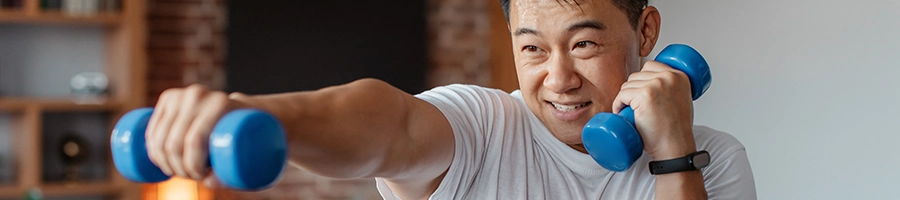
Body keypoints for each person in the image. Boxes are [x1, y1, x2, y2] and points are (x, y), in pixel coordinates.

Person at [143, 0, 756, 199]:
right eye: (533, 50)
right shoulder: (486, 123)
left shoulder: (714, 160)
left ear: (646, 34)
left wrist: (674, 155)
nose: (559, 78)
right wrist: (257, 113)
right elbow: (387, 125)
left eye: (586, 43)